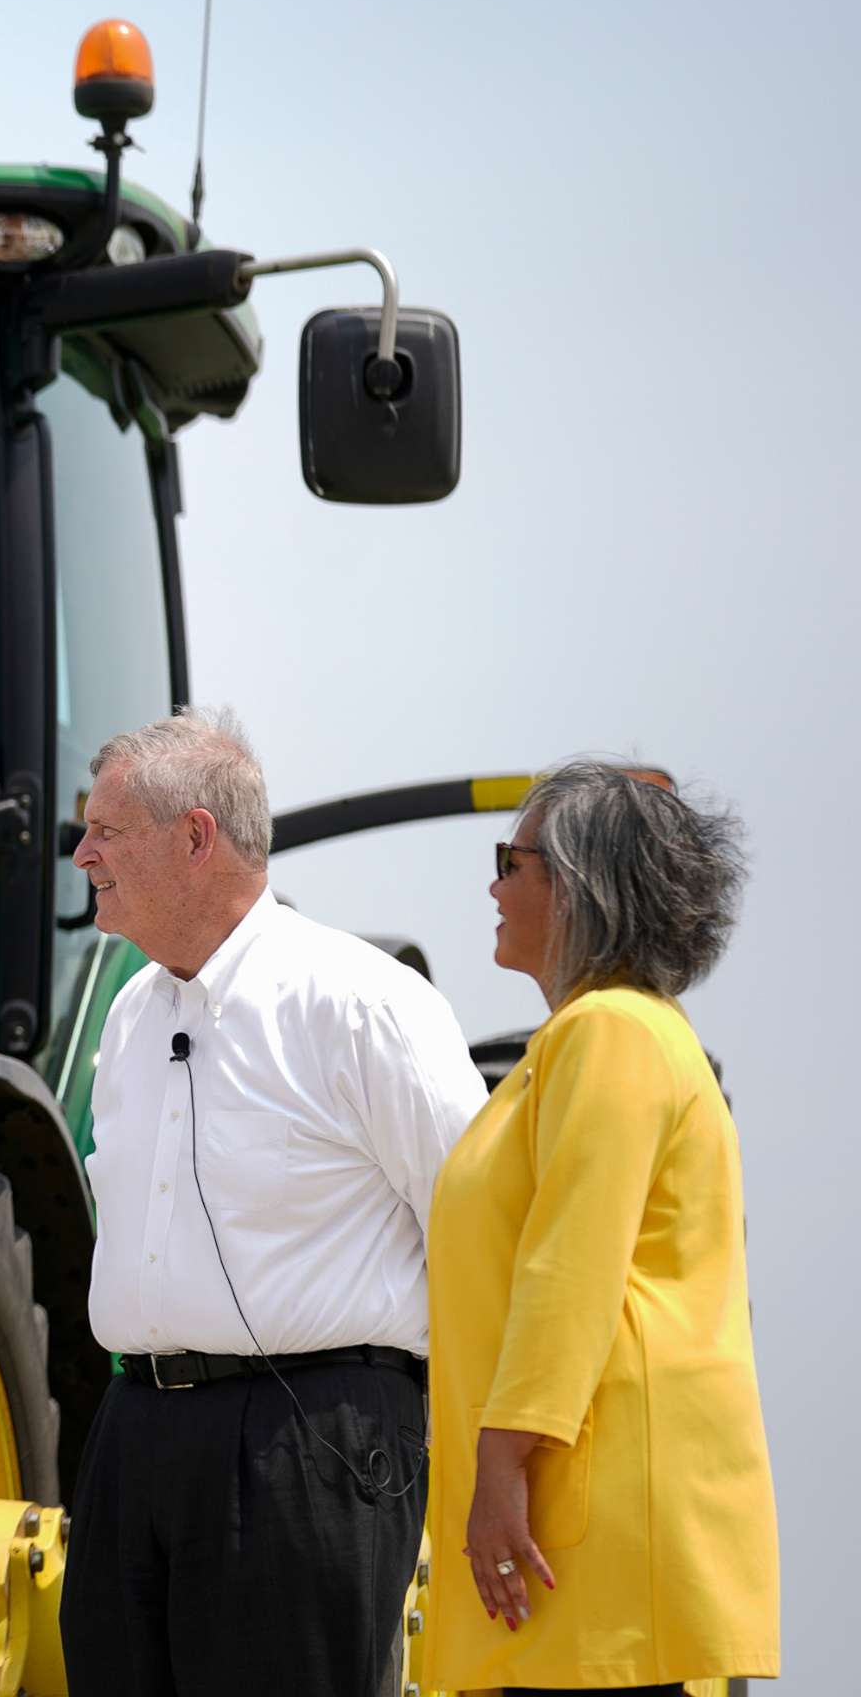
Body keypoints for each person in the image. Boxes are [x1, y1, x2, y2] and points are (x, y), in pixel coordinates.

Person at [57, 710, 492, 1697]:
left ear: (196, 838)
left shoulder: (362, 1003)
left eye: (106, 832)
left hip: (312, 1441)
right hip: (136, 1436)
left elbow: (479, 1233)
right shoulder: (131, 1016)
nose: (82, 854)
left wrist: (489, 1471)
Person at [419, 762, 778, 1694]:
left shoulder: (609, 1033)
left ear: (578, 886)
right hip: (589, 1524)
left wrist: (498, 1475)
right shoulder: (609, 1036)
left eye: (514, 861)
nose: (494, 886)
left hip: (593, 1528)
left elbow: (568, 1271)